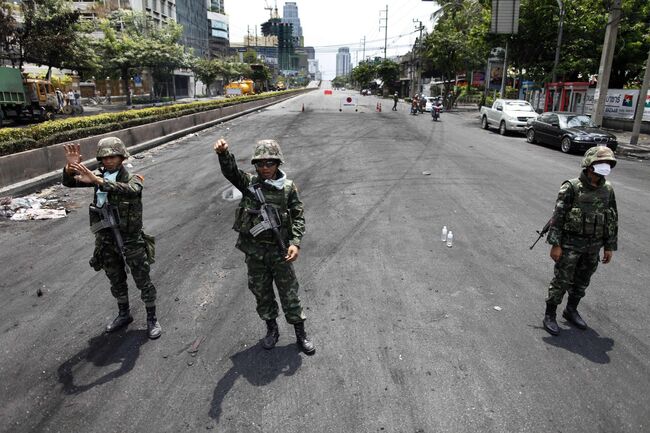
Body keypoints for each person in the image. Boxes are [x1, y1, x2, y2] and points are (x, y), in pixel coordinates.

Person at [213, 138, 315, 355]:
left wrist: (295, 243)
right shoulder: (249, 183)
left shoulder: (287, 188)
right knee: (262, 293)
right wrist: (224, 154)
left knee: (289, 293)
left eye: (270, 163)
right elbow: (231, 172)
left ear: (278, 163)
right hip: (255, 253)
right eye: (260, 164)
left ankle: (300, 334)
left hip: (280, 252)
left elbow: (298, 216)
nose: (265, 168)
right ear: (255, 166)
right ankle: (271, 330)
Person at [62, 138, 161, 339]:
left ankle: (152, 318)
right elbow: (69, 182)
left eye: (112, 156)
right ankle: (124, 313)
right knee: (115, 277)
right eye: (104, 157)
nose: (108, 161)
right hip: (106, 237)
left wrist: (98, 181)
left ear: (122, 157)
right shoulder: (97, 175)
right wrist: (70, 168)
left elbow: (132, 190)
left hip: (130, 238)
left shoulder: (133, 177)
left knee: (142, 279)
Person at [542, 146, 618, 336]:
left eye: (608, 163)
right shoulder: (572, 187)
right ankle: (550, 314)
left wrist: (609, 246)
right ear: (590, 164)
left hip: (593, 248)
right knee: (561, 280)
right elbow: (557, 218)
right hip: (569, 246)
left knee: (582, 281)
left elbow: (611, 218)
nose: (605, 166)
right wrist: (555, 244)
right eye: (601, 162)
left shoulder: (607, 190)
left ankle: (571, 310)